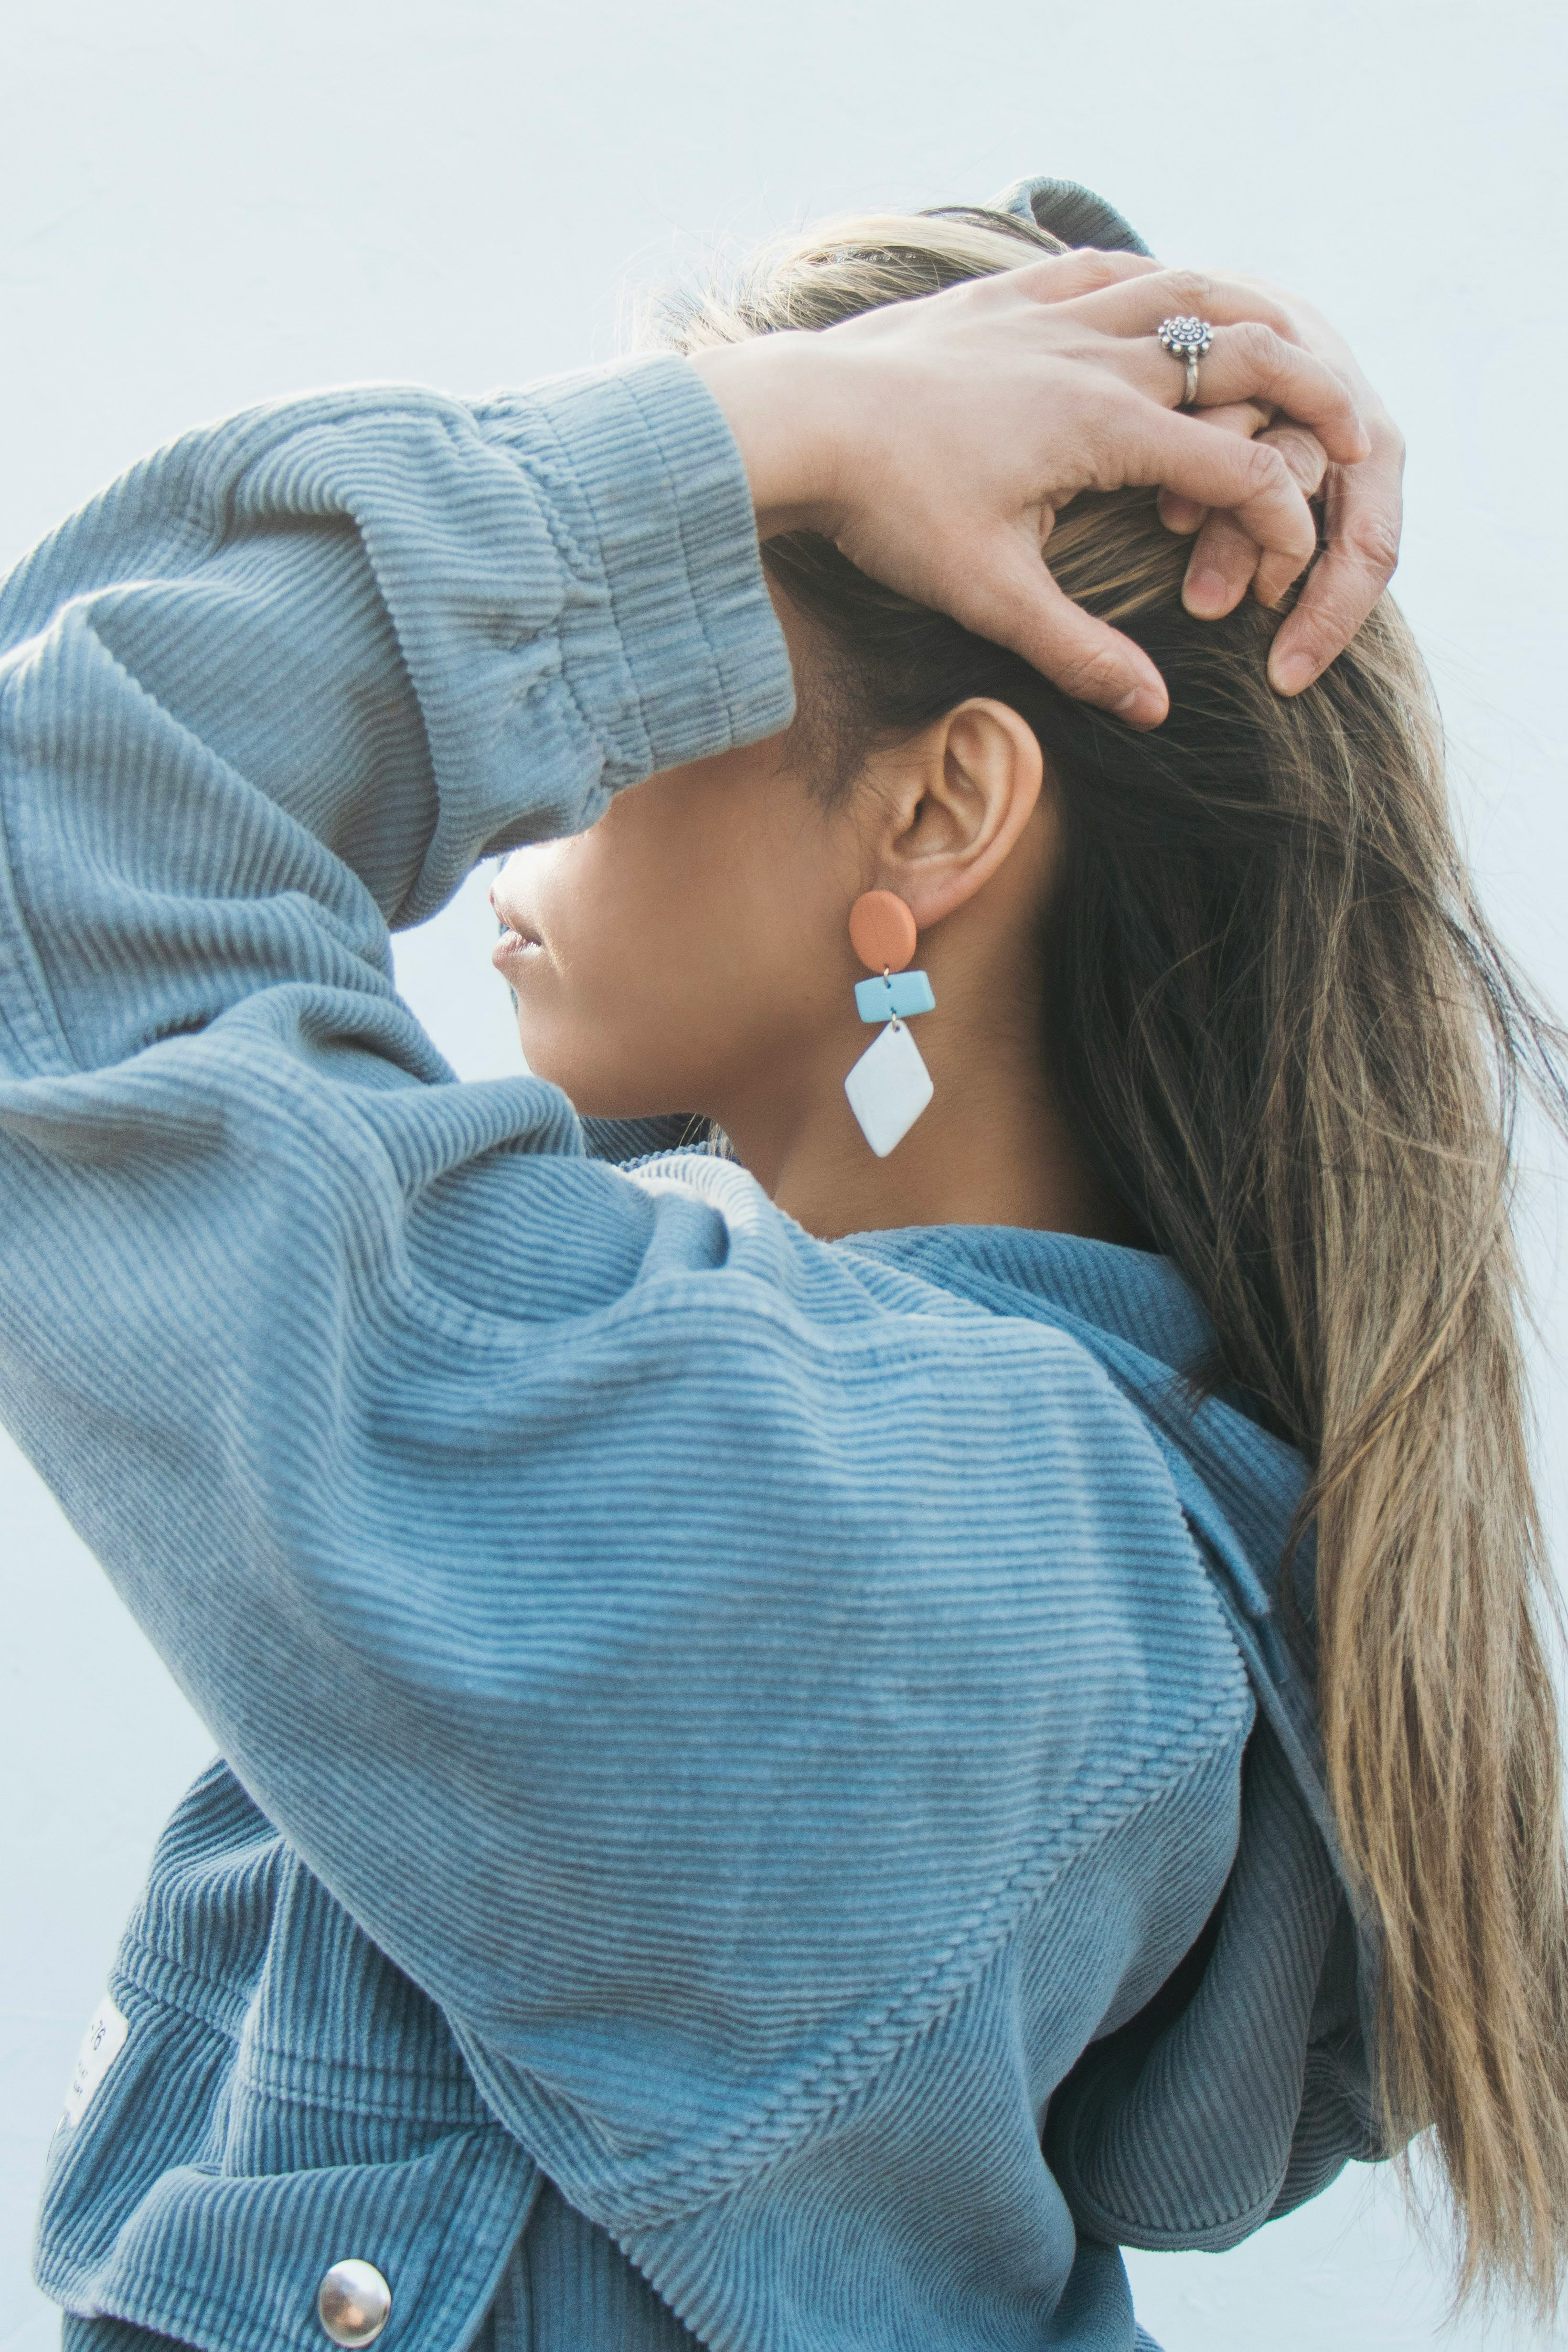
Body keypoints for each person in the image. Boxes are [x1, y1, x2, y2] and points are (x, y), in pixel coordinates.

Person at [0, 173, 1562, 2352]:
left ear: (932, 818)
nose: (510, 819)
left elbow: (52, 845)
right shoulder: (972, 1504)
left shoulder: (878, 1533)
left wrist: (756, 435)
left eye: (627, 691)